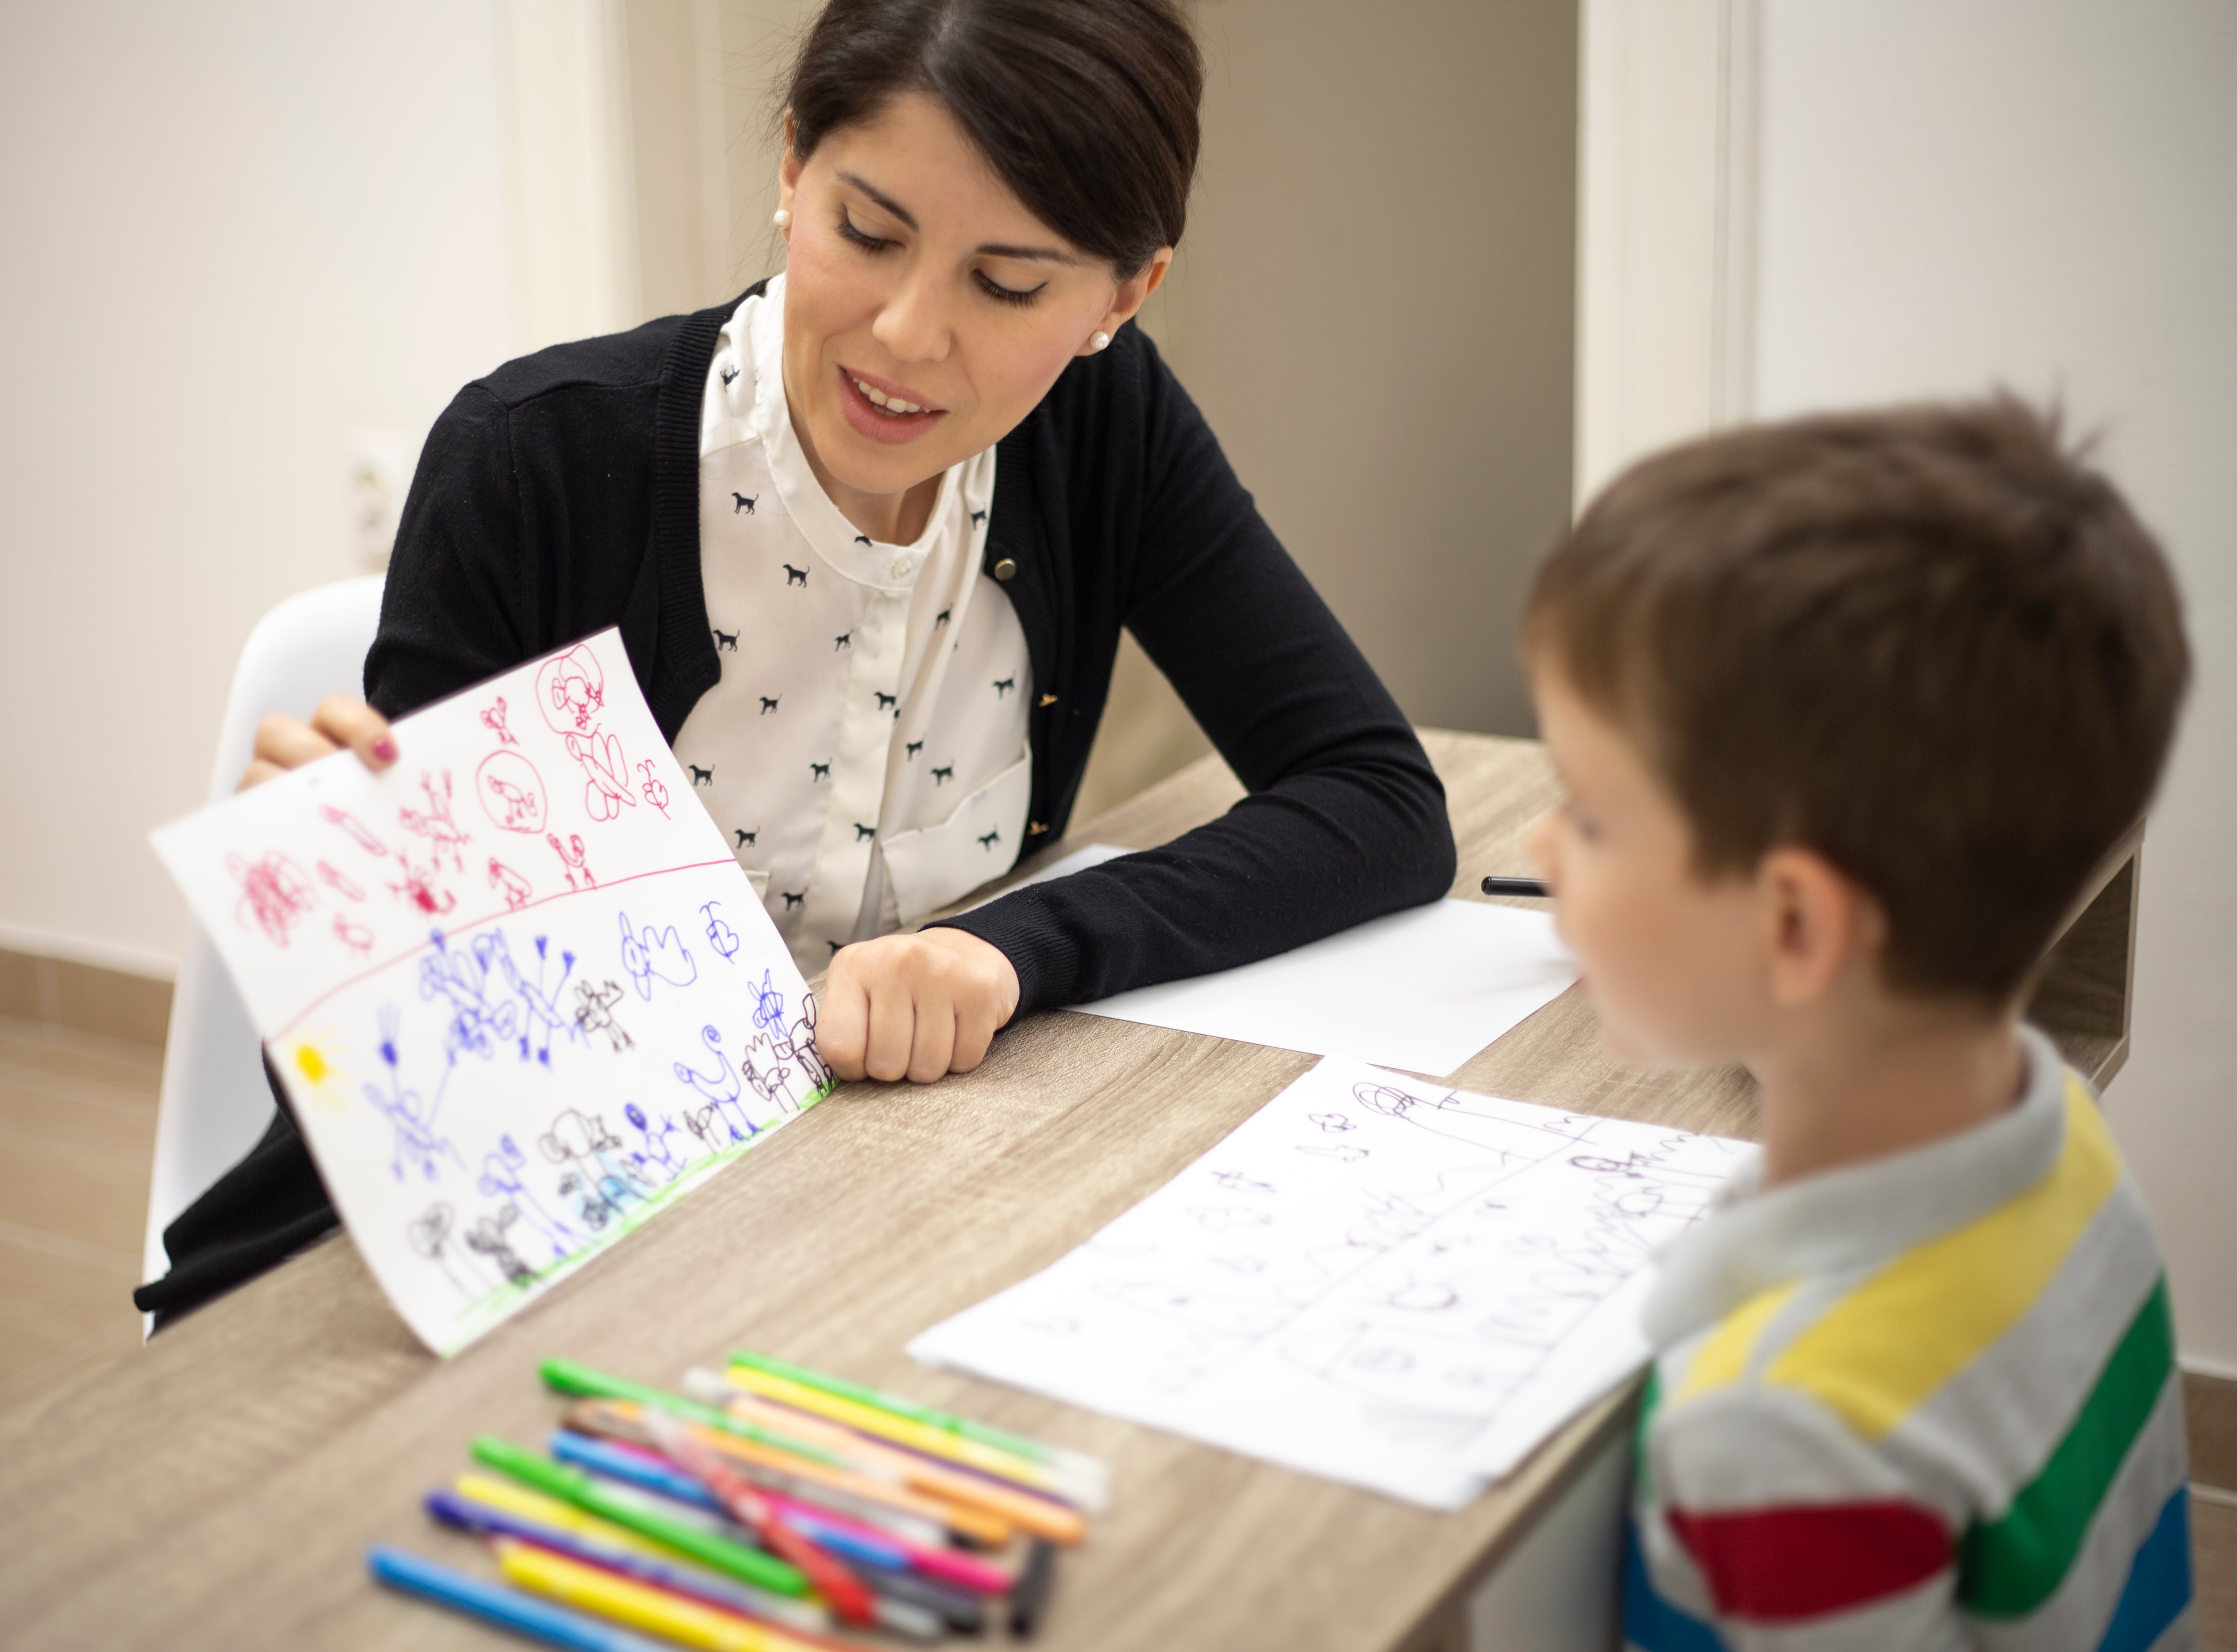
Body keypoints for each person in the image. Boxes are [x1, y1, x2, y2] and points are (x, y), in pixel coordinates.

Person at [136, 0, 1454, 1323]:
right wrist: (353, 897)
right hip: (518, 1257)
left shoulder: (1106, 431)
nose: (904, 332)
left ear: (1124, 293)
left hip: (880, 1208)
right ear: (790, 169)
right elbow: (432, 1082)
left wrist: (1011, 949)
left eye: (1007, 284)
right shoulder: (534, 459)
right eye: (866, 233)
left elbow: (1377, 801)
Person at [1518, 397, 2194, 1649]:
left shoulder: (1782, 1433)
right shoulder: (2063, 1139)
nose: (1536, 846)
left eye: (1590, 815)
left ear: (1793, 927)